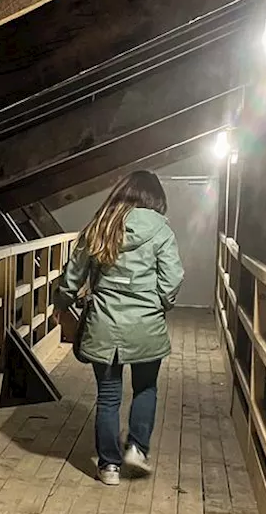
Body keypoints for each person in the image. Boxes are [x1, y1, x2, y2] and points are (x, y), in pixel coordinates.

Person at [53, 170, 184, 486]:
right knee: (146, 388)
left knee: (108, 396)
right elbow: (172, 279)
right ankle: (137, 448)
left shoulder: (99, 227)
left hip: (104, 324)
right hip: (146, 325)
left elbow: (73, 277)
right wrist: (158, 304)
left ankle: (108, 466)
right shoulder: (161, 231)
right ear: (154, 199)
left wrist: (62, 301)